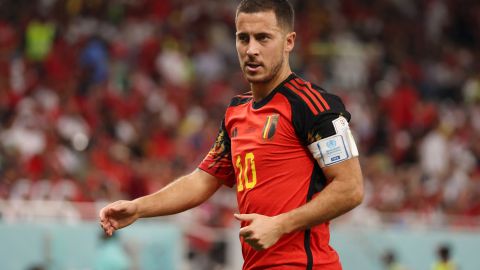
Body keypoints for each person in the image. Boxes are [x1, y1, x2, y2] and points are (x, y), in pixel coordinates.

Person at [99, 0, 364, 269]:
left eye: (263, 38)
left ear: (289, 41)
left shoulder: (312, 105)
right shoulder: (236, 112)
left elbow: (351, 188)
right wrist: (138, 208)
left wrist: (280, 225)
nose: (251, 50)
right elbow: (201, 181)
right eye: (243, 38)